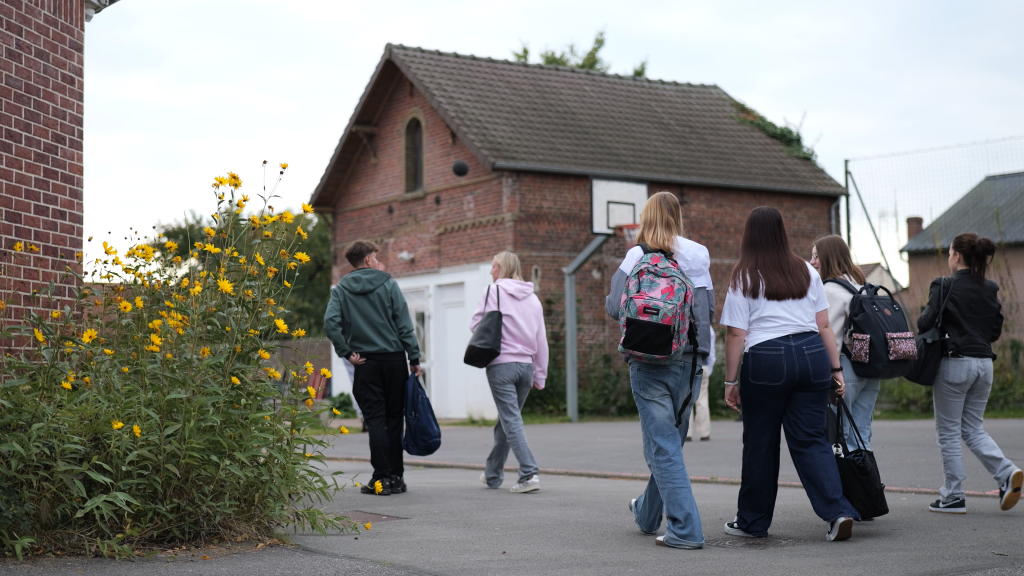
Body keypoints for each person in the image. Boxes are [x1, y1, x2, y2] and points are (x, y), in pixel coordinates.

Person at [721, 206, 859, 542]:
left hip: (766, 359)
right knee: (812, 438)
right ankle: (837, 511)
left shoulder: (744, 275)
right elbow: (823, 325)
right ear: (782, 232)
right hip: (811, 355)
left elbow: (736, 334)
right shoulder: (806, 271)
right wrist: (836, 369)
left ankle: (753, 522)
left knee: (760, 442)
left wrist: (730, 381)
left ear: (749, 235)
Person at [605, 191, 709, 550]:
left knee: (661, 449)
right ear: (677, 216)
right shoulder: (697, 253)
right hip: (689, 360)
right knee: (668, 446)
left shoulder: (637, 254)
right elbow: (704, 312)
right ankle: (648, 514)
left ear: (646, 217)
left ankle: (686, 530)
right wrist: (704, 359)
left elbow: (614, 308)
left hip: (648, 361)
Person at [919, 232, 1021, 514]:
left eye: (950, 253)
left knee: (949, 432)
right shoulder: (990, 288)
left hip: (954, 363)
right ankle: (1007, 472)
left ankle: (953, 496)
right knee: (973, 427)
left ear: (956, 256)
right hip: (984, 363)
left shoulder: (944, 285)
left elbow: (925, 321)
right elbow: (995, 331)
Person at [324, 240, 422, 496]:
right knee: (393, 419)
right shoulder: (388, 284)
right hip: (393, 361)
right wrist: (414, 358)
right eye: (376, 257)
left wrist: (346, 353)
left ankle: (381, 479)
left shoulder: (341, 290)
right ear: (367, 259)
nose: (379, 262)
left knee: (375, 420)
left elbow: (330, 324)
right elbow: (404, 325)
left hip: (365, 362)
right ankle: (396, 478)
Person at [471, 251, 549, 494]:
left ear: (502, 268)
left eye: (494, 266)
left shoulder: (492, 292)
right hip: (526, 367)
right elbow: (541, 339)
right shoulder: (533, 299)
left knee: (511, 420)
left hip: (501, 364)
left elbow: (475, 325)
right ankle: (493, 475)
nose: (491, 271)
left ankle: (528, 473)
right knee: (506, 421)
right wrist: (540, 374)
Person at [810, 235, 879, 450]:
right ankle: (865, 482)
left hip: (844, 369)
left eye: (816, 257)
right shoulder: (861, 285)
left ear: (828, 258)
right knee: (862, 434)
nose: (812, 262)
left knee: (840, 436)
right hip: (870, 369)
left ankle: (844, 484)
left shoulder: (829, 290)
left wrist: (830, 370)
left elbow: (827, 333)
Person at [686, 330, 715, 442]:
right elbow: (711, 351)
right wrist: (709, 368)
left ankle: (687, 432)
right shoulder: (708, 327)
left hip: (687, 362)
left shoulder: (683, 319)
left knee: (686, 398)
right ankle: (704, 432)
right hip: (703, 364)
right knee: (702, 399)